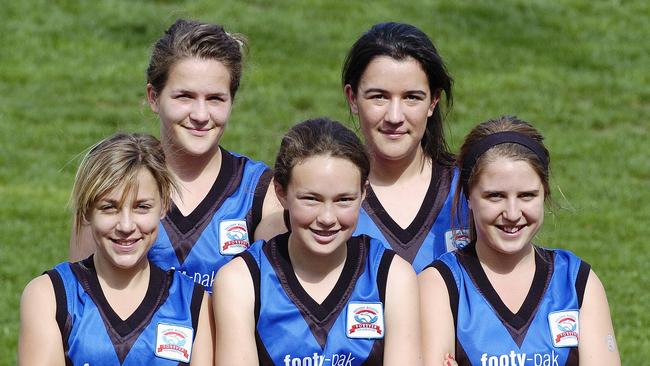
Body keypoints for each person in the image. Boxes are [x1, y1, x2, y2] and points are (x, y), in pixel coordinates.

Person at [70, 19, 283, 292]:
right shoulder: (113, 178)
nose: (200, 115)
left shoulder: (261, 191)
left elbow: (278, 307)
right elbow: (80, 300)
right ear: (153, 97)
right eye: (184, 96)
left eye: (216, 99)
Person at [213, 118, 422, 365]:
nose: (327, 218)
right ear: (281, 193)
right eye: (311, 199)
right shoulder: (243, 280)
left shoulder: (391, 276)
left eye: (344, 200)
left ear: (363, 193)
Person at [418, 116, 621, 366]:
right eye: (495, 196)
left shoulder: (576, 280)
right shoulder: (439, 284)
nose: (512, 213)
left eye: (527, 195)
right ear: (468, 196)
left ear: (544, 193)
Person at [19, 133, 213, 365]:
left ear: (163, 206)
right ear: (86, 211)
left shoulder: (193, 301)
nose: (126, 226)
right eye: (109, 208)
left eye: (142, 207)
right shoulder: (49, 296)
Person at [342, 22, 468, 274]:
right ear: (352, 98)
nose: (394, 116)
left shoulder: (470, 189)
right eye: (379, 96)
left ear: (433, 101)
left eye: (412, 97)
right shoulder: (325, 193)